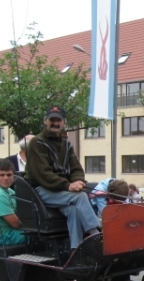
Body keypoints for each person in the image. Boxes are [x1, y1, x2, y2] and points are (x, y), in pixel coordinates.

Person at [24, 105, 100, 249]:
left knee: (74, 209)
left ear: (64, 123)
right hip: (41, 190)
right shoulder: (37, 142)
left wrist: (78, 181)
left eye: (58, 120)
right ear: (45, 121)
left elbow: (76, 168)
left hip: (61, 191)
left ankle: (75, 249)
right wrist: (68, 185)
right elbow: (43, 174)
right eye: (52, 120)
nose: (55, 123)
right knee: (80, 197)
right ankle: (95, 234)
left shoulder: (66, 143)